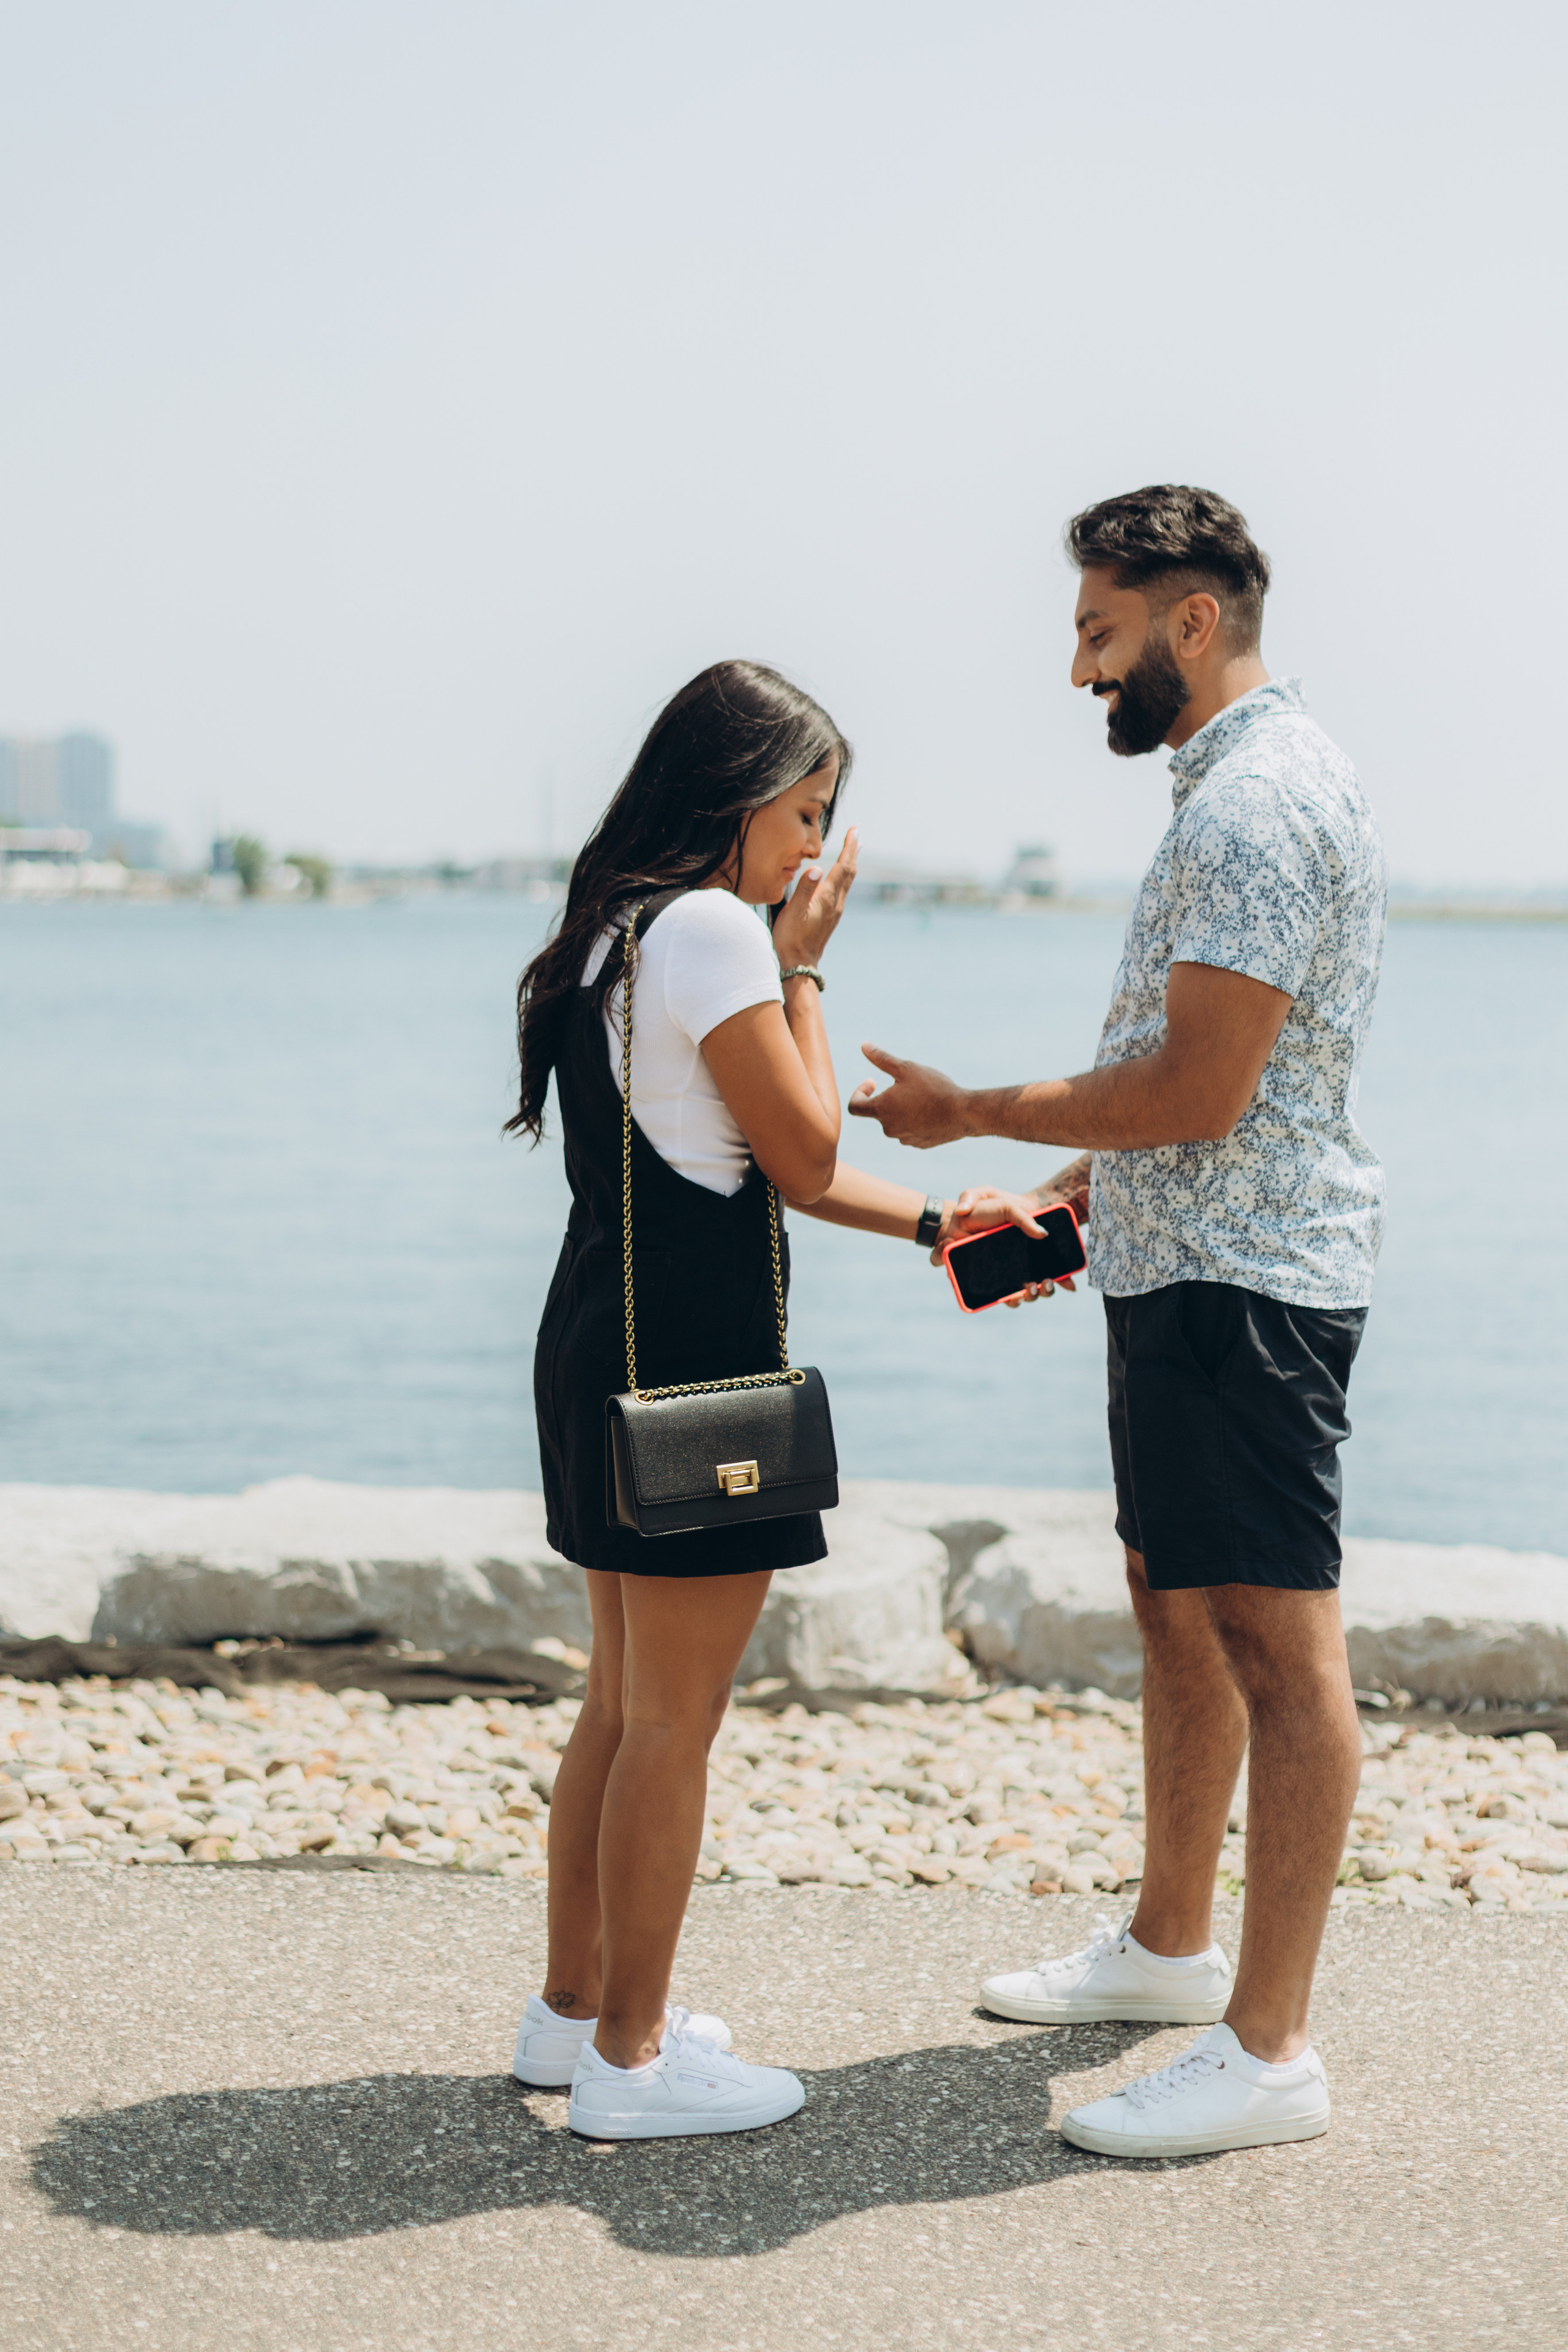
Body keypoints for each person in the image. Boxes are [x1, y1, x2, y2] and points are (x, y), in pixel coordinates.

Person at [850, 485, 1387, 2158]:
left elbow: (1206, 1085)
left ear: (1192, 622)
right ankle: (1170, 1951)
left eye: (1100, 631)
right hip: (1182, 1266)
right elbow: (1207, 1084)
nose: (1080, 666)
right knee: (1175, 1607)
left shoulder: (1257, 808)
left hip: (1249, 1289)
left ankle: (1270, 2051)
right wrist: (1080, 1199)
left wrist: (971, 1117)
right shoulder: (1224, 789)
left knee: (1280, 1655)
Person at [506, 659, 970, 2139]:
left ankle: (572, 2014)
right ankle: (633, 2067)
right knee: (672, 1728)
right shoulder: (715, 930)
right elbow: (804, 1150)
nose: (812, 849)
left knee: (619, 1707)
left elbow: (734, 1152)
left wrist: (935, 1224)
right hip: (692, 1368)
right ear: (738, 788)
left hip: (594, 1343)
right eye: (806, 811)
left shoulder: (610, 932)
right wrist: (807, 965)